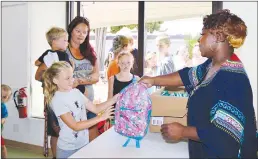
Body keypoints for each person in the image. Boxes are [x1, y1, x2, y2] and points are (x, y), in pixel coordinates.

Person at [139, 10, 257, 158]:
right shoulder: (213, 65)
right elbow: (187, 76)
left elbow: (225, 134)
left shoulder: (232, 79)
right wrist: (153, 80)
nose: (198, 40)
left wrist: (182, 132)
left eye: (203, 34)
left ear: (218, 37)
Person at [42, 61, 119, 158]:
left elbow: (95, 108)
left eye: (72, 76)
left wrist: (114, 99)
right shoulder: (57, 100)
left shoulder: (76, 92)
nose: (72, 80)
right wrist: (101, 118)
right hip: (67, 150)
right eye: (67, 78)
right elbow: (75, 126)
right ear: (55, 80)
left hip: (83, 144)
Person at [34, 26, 85, 158]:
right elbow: (38, 75)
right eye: (64, 40)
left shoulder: (52, 55)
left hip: (61, 96)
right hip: (56, 97)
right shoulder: (56, 55)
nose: (66, 42)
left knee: (61, 130)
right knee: (57, 131)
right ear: (54, 41)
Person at [66, 16, 100, 141]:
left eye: (84, 32)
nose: (81, 35)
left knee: (93, 137)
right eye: (78, 31)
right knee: (73, 139)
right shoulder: (63, 51)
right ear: (71, 30)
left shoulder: (90, 52)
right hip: (70, 105)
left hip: (89, 103)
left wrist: (79, 81)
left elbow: (96, 77)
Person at [102, 52, 140, 132]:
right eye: (122, 63)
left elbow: (138, 100)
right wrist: (107, 118)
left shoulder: (137, 79)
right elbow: (109, 99)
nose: (125, 65)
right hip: (116, 115)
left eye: (128, 62)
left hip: (131, 115)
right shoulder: (112, 79)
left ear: (132, 63)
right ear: (118, 64)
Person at [1, 84, 12, 159]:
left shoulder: (2, 106)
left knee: (2, 147)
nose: (1, 98)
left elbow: (4, 117)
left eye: (4, 97)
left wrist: (1, 121)